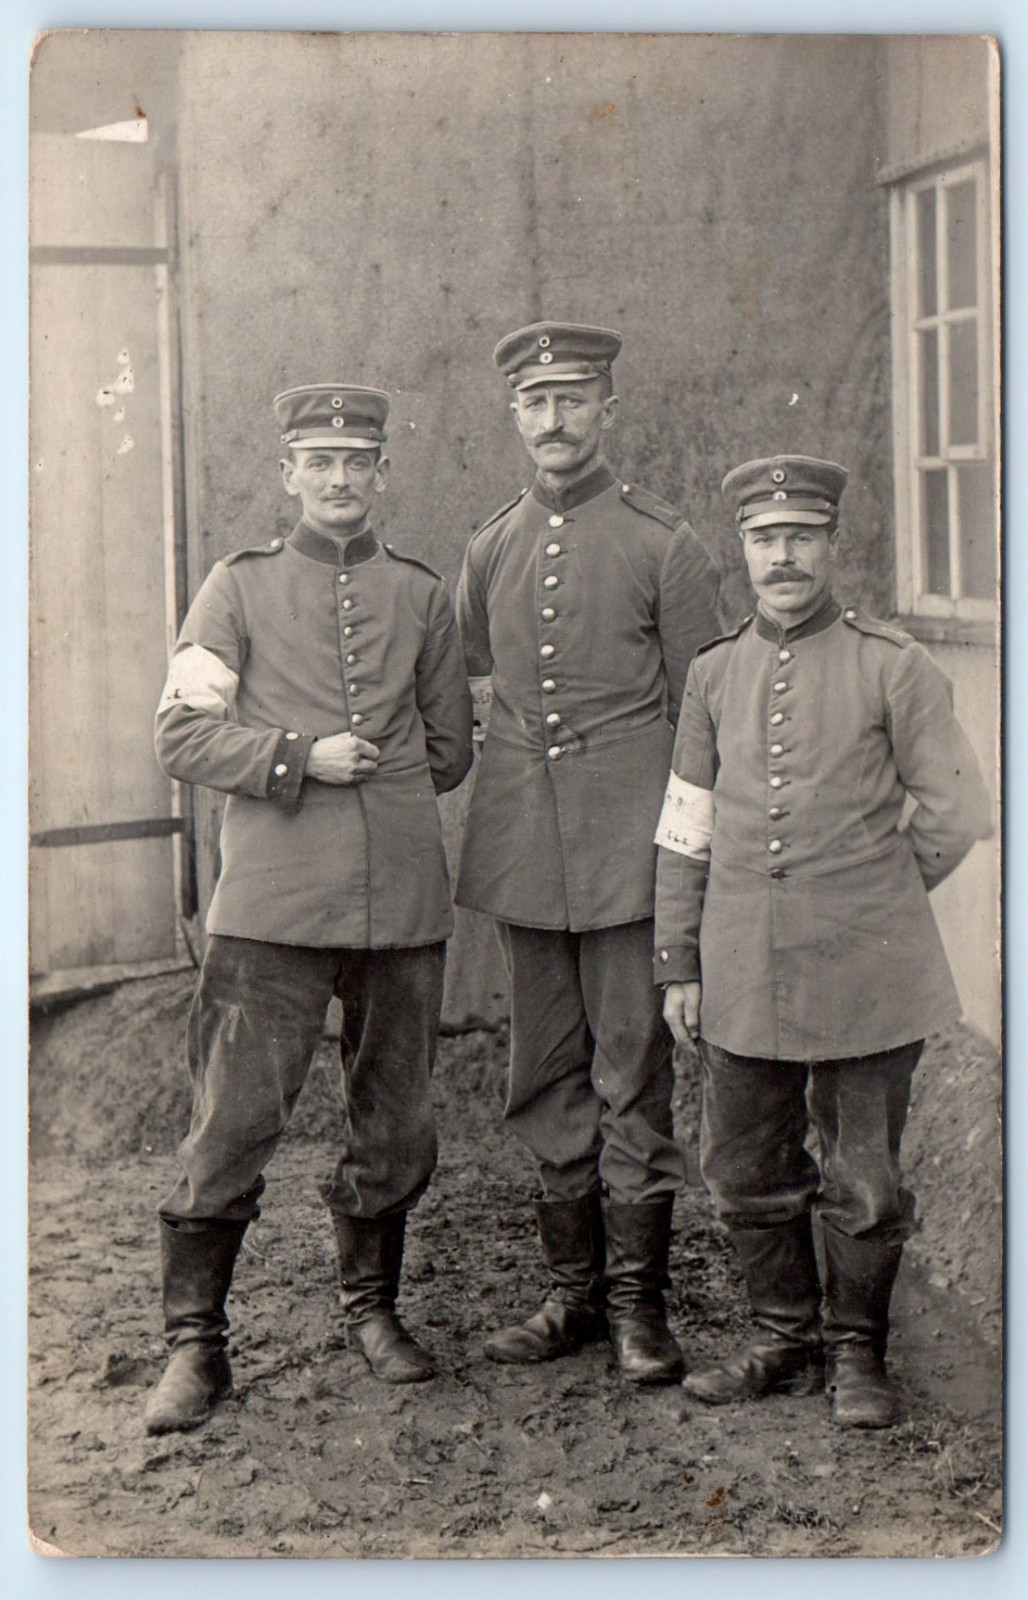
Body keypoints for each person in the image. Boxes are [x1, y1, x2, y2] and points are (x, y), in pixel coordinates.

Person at [145, 383, 473, 1434]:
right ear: (287, 474)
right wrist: (299, 755)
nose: (339, 481)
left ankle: (371, 1310)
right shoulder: (234, 589)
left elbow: (453, 743)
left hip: (398, 910)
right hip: (270, 909)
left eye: (358, 463)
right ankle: (196, 1347)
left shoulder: (423, 596)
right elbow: (182, 738)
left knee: (397, 1124)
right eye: (318, 462)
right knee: (233, 1121)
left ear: (383, 476)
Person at [656, 454, 992, 1427]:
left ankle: (856, 1355)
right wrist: (678, 960)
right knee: (745, 1170)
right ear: (743, 550)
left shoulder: (893, 664)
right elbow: (685, 827)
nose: (783, 555)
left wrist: (876, 894)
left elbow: (957, 807)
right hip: (741, 970)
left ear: (829, 544)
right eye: (765, 539)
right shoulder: (713, 673)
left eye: (800, 535)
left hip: (866, 972)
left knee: (866, 1181)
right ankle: (781, 1341)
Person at [456, 321, 721, 1384]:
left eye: (574, 397)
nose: (555, 419)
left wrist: (682, 865)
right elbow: (485, 694)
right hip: (527, 843)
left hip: (629, 848)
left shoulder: (666, 544)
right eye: (536, 401)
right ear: (514, 417)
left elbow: (706, 722)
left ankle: (638, 1311)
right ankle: (571, 1298)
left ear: (607, 408)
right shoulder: (488, 548)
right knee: (543, 1072)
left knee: (631, 1073)